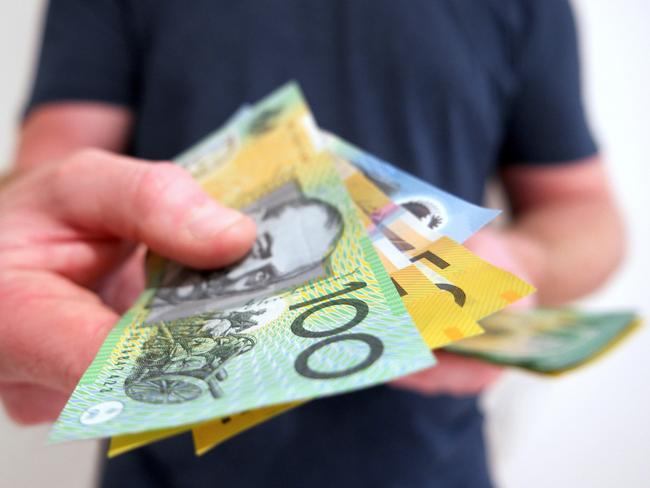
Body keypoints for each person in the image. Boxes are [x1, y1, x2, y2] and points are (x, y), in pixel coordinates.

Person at [0, 0, 624, 487]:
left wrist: (521, 261)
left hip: (429, 463)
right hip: (171, 461)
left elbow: (584, 210)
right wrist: (90, 264)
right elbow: (50, 186)